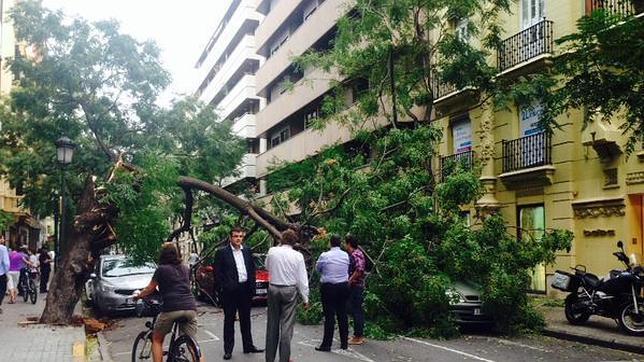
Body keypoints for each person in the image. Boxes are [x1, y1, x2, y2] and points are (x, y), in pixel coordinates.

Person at [134, 242, 204, 362]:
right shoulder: (186, 268)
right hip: (190, 308)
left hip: (171, 308)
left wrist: (138, 296)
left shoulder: (161, 270)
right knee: (192, 343)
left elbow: (150, 288)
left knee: (157, 339)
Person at [213, 226, 263, 360]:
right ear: (230, 237)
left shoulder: (247, 251)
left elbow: (251, 269)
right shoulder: (222, 252)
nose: (238, 239)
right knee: (229, 321)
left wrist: (252, 287)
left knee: (246, 319)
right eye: (235, 236)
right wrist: (222, 289)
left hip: (245, 290)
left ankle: (248, 346)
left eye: (240, 236)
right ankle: (228, 350)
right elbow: (217, 273)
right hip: (230, 292)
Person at [265, 229, 310, 362]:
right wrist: (305, 297)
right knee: (286, 327)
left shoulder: (272, 251)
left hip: (273, 288)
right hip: (289, 290)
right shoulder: (297, 256)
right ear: (294, 242)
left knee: (272, 325)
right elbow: (302, 278)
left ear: (281, 240)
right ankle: (284, 359)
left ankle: (269, 359)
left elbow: (267, 267)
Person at [315, 234, 350, 352]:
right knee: (342, 314)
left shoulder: (325, 256)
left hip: (328, 287)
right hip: (343, 286)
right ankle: (344, 343)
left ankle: (326, 344)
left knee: (329, 315)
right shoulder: (345, 255)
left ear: (330, 243)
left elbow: (318, 269)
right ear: (340, 243)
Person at [345, 234, 366, 345]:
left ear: (349, 244)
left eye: (346, 243)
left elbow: (359, 270)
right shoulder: (354, 254)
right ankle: (358, 334)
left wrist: (349, 280)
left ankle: (358, 336)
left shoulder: (356, 254)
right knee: (354, 309)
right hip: (355, 286)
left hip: (356, 286)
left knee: (356, 310)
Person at [0, 236, 10, 313]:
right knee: (2, 290)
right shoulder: (2, 248)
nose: (3, 240)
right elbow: (6, 263)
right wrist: (7, 273)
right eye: (2, 238)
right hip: (1, 273)